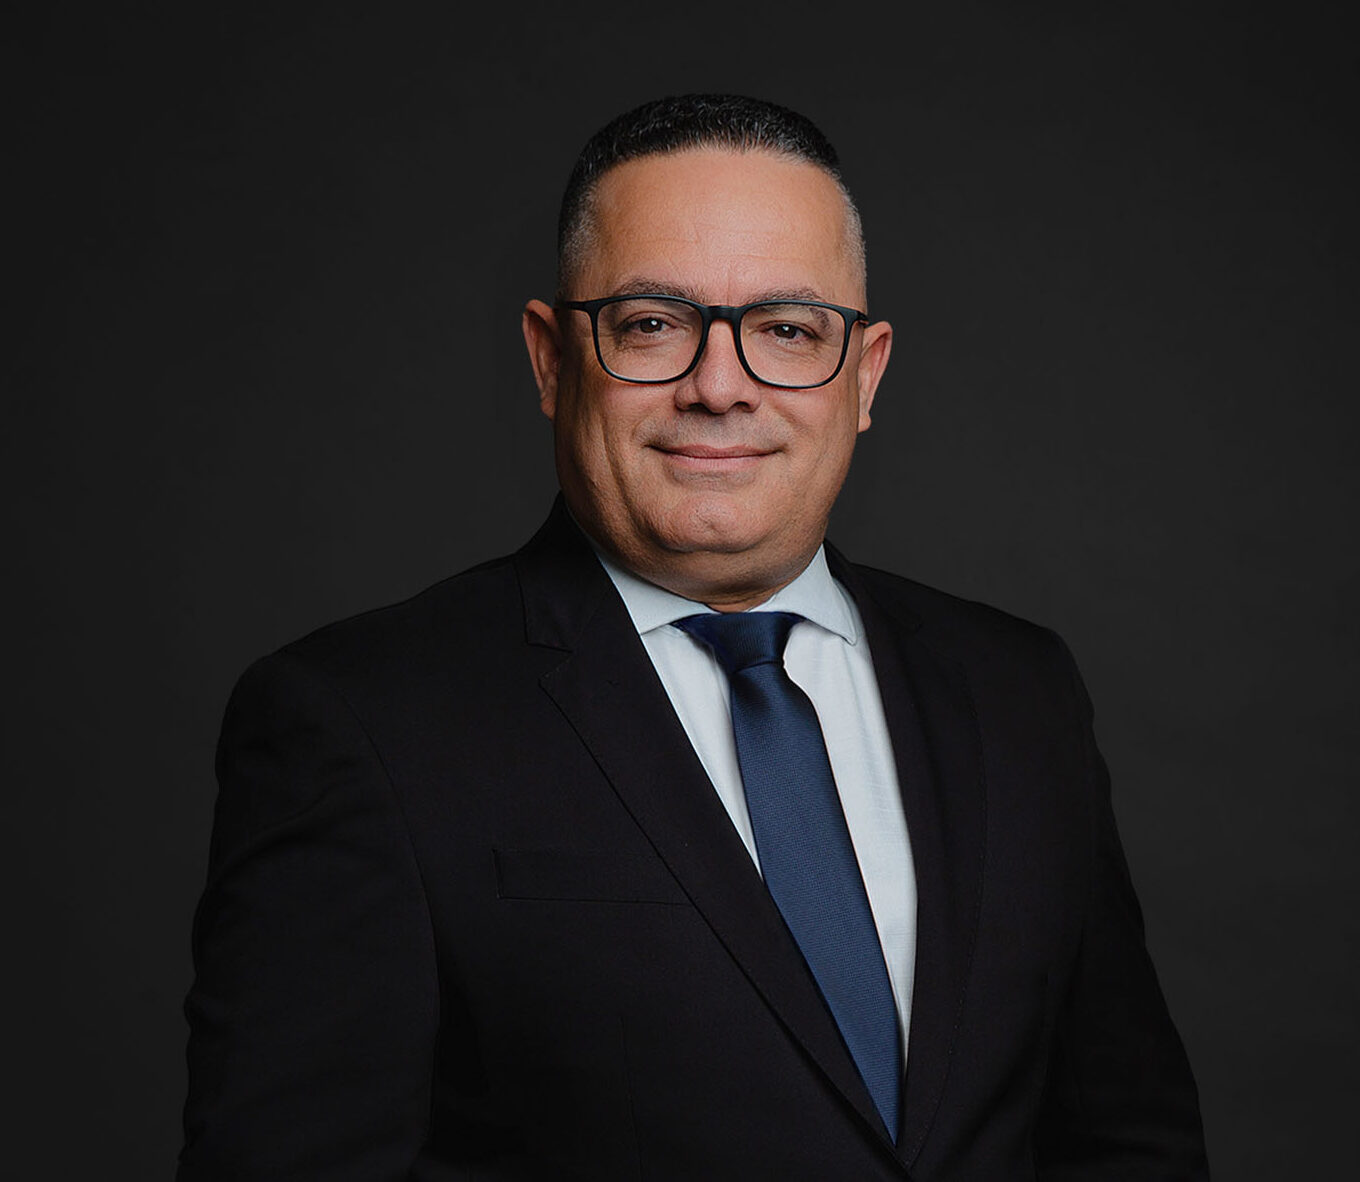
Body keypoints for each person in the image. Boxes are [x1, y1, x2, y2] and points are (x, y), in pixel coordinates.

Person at [178, 94, 1209, 1180]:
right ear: (550, 360)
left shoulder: (1019, 693)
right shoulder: (362, 722)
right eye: (652, 324)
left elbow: (1129, 1146)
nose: (720, 387)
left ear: (865, 376)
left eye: (788, 330)